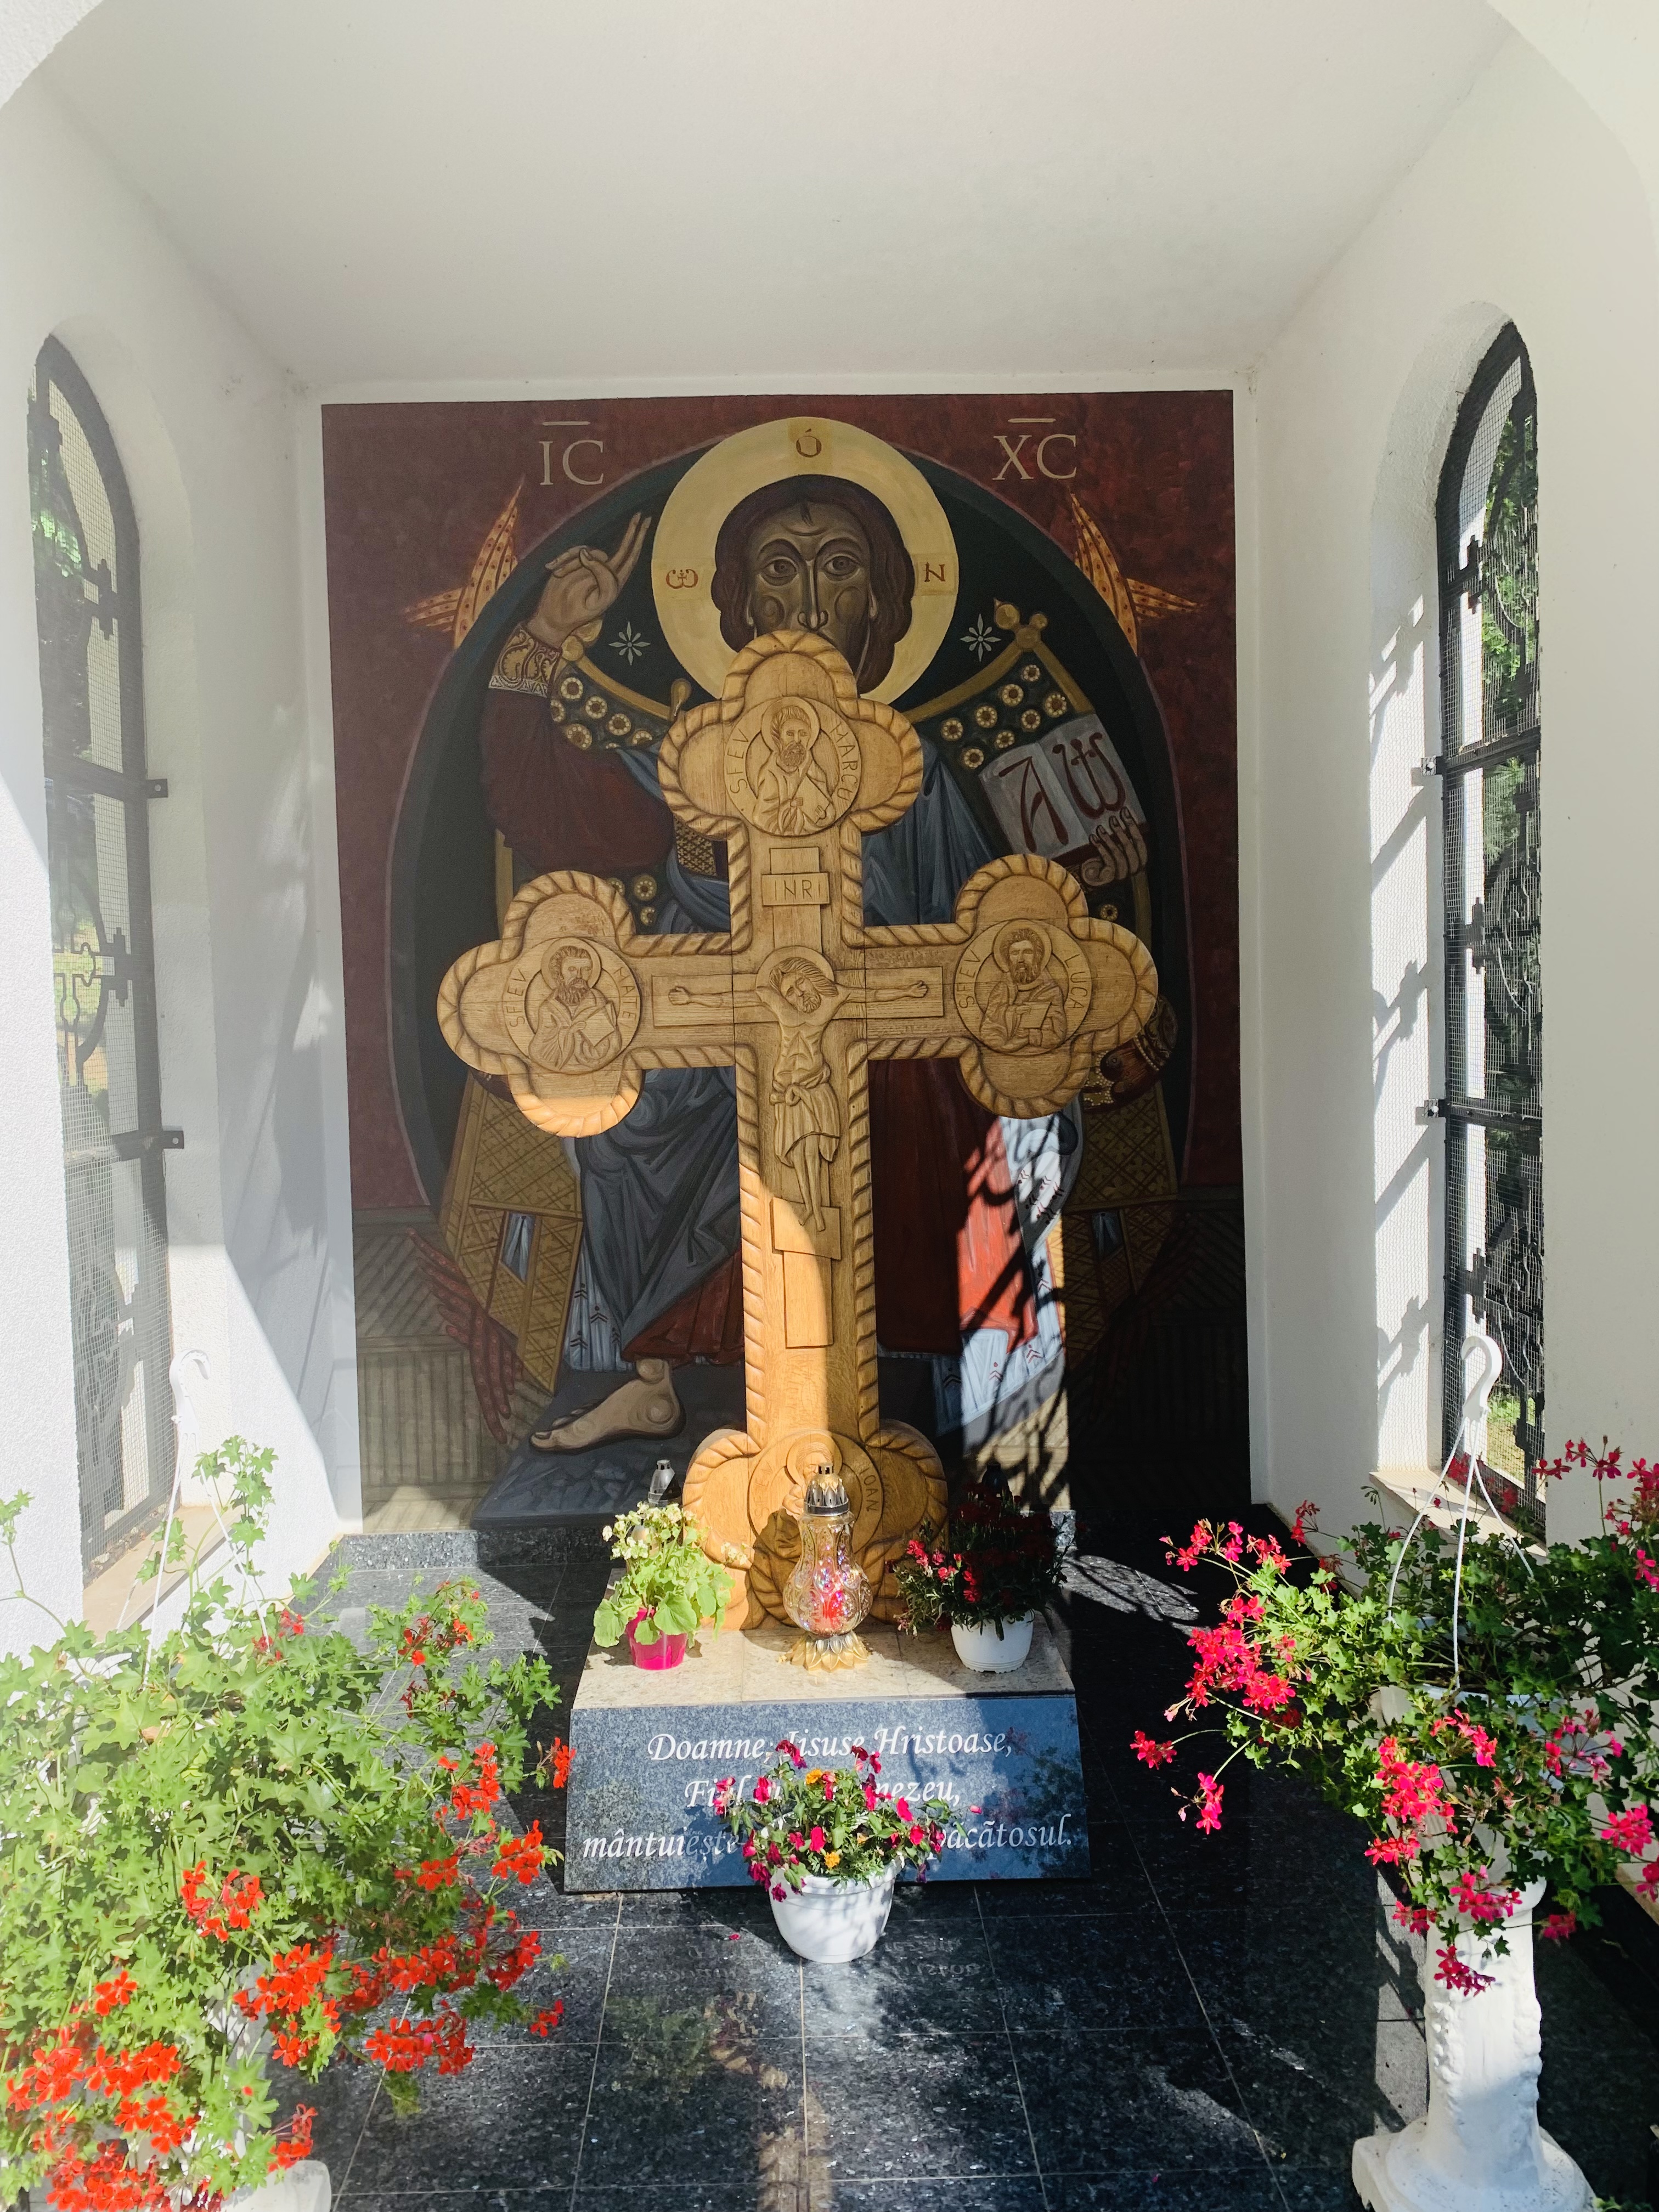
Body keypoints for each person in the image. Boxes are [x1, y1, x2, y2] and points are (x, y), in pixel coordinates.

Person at [476, 470, 1045, 1452]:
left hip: (872, 1036)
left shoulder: (908, 772)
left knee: (934, 1099)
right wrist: (544, 636)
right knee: (619, 1117)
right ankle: (655, 1383)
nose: (811, 601)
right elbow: (543, 805)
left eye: (842, 568)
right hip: (711, 1033)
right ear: (739, 604)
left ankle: (931, 1388)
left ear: (884, 602)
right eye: (779, 570)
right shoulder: (695, 759)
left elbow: (987, 931)